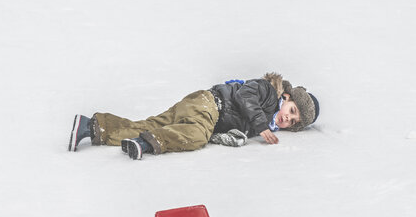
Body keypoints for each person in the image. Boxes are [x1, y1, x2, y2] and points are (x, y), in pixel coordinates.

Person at [68, 73, 320, 159]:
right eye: (293, 111)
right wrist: (258, 124)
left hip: (201, 107)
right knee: (197, 136)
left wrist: (233, 136)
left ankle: (90, 127)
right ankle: (147, 143)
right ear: (286, 98)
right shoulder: (267, 92)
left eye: (294, 122)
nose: (289, 119)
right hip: (210, 104)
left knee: (149, 124)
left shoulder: (266, 118)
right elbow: (244, 96)